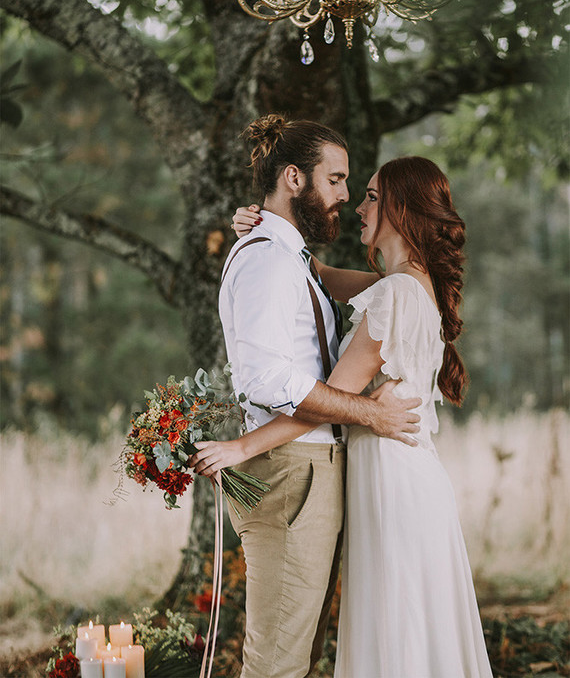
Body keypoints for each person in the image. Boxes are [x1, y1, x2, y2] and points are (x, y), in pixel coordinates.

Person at [192, 153, 493, 677]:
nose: (356, 204)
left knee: (396, 631)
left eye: (372, 196)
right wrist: (267, 225)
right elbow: (318, 275)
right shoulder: (409, 285)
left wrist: (242, 447)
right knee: (414, 632)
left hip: (391, 484)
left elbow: (326, 398)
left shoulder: (397, 293)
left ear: (402, 209)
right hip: (408, 477)